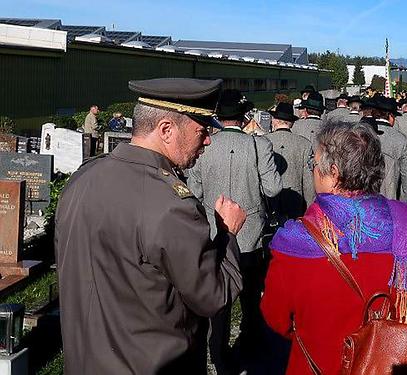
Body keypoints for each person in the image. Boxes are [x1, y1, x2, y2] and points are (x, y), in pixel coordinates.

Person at [56, 78, 247, 375]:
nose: (208, 140)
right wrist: (229, 235)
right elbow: (212, 296)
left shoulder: (82, 180)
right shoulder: (171, 205)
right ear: (166, 130)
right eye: (201, 130)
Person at [261, 123, 407, 375]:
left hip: (316, 364)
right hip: (386, 365)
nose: (312, 170)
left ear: (333, 173)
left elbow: (276, 317)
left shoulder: (295, 240)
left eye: (314, 164)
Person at [187, 89, 282, 374]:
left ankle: (218, 354)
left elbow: (195, 190)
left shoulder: (206, 145)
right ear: (243, 118)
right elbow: (273, 188)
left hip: (214, 231)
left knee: (218, 301)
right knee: (251, 297)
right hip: (250, 234)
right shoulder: (259, 146)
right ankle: (250, 346)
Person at [265, 102, 315, 220]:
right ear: (291, 123)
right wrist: (309, 207)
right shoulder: (304, 144)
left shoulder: (263, 141)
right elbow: (308, 182)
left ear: (275, 121)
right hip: (295, 199)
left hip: (269, 198)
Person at [362, 95, 407, 202]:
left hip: (362, 195)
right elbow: (406, 174)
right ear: (390, 116)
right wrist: (406, 200)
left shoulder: (361, 133)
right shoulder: (400, 139)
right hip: (389, 196)